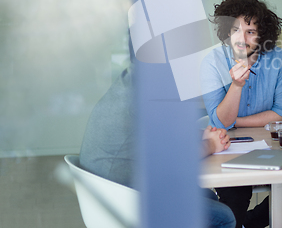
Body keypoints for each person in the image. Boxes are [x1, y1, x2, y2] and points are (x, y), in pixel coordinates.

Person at [79, 64, 236, 228]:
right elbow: (173, 157)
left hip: (112, 188)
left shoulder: (133, 81)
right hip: (124, 198)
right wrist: (211, 144)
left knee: (205, 195)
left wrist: (202, 134)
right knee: (224, 217)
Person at [200, 0, 282, 228]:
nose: (242, 38)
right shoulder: (212, 62)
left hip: (270, 146)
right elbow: (220, 122)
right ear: (227, 32)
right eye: (235, 30)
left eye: (250, 31)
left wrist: (235, 121)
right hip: (228, 148)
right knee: (234, 200)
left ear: (262, 35)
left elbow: (281, 114)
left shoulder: (279, 60)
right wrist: (237, 86)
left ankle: (251, 224)